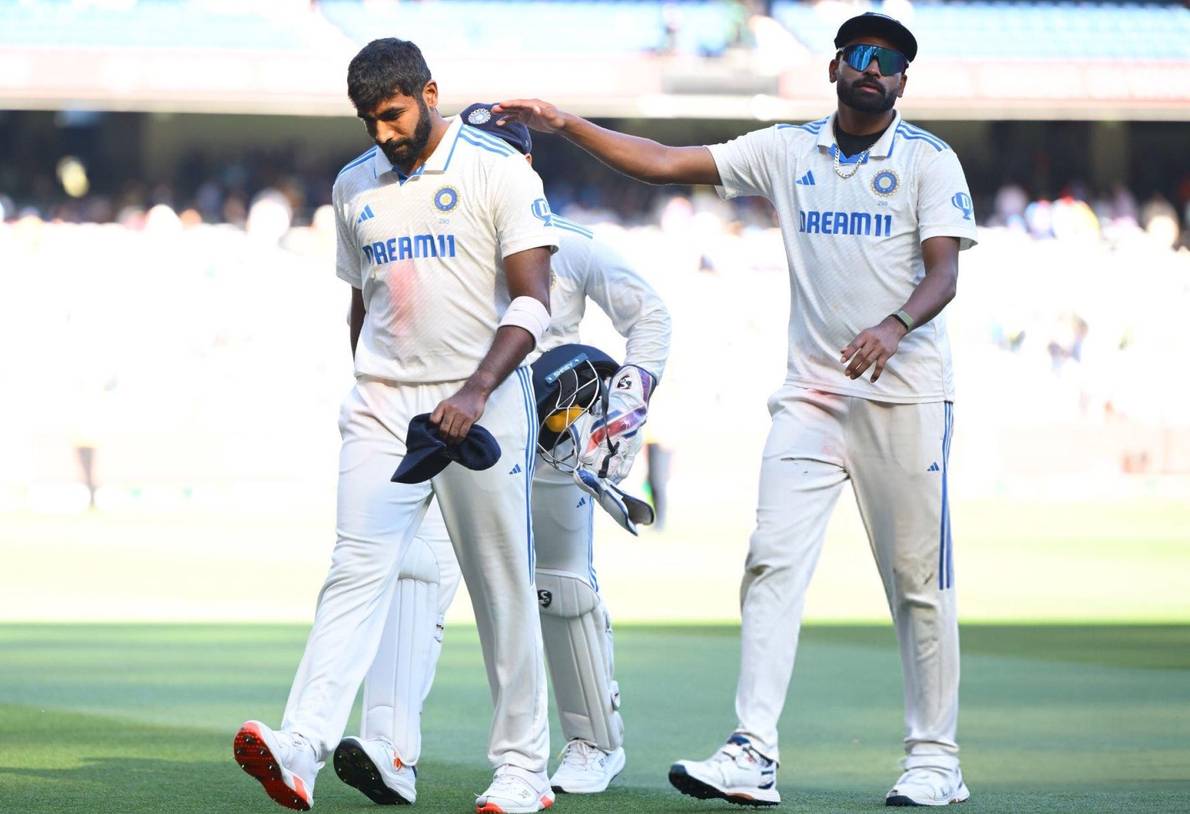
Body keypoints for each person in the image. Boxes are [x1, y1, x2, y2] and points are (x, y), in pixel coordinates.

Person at [496, 12, 978, 808]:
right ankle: (753, 751)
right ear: (834, 70)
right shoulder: (788, 149)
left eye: (890, 63)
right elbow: (658, 162)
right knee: (770, 566)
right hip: (813, 397)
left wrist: (894, 327)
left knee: (917, 581)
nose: (874, 69)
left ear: (901, 83)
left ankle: (935, 759)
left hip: (908, 394)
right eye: (860, 55)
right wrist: (560, 122)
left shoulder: (930, 160)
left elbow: (944, 274)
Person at [232, 40, 560, 814]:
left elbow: (535, 299)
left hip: (484, 402)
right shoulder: (354, 186)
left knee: (499, 586)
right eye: (367, 120)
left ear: (429, 93)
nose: (382, 133)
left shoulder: (497, 169)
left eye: (393, 114)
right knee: (356, 568)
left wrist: (477, 389)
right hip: (386, 408)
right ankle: (301, 747)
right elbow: (363, 299)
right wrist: (373, 384)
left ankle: (522, 770)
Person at [331, 103, 672, 806]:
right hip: (455, 429)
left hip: (550, 436)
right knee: (417, 565)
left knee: (560, 588)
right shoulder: (429, 224)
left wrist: (624, 412)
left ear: (523, 163)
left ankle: (590, 743)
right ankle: (390, 745)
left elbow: (651, 316)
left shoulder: (565, 241)